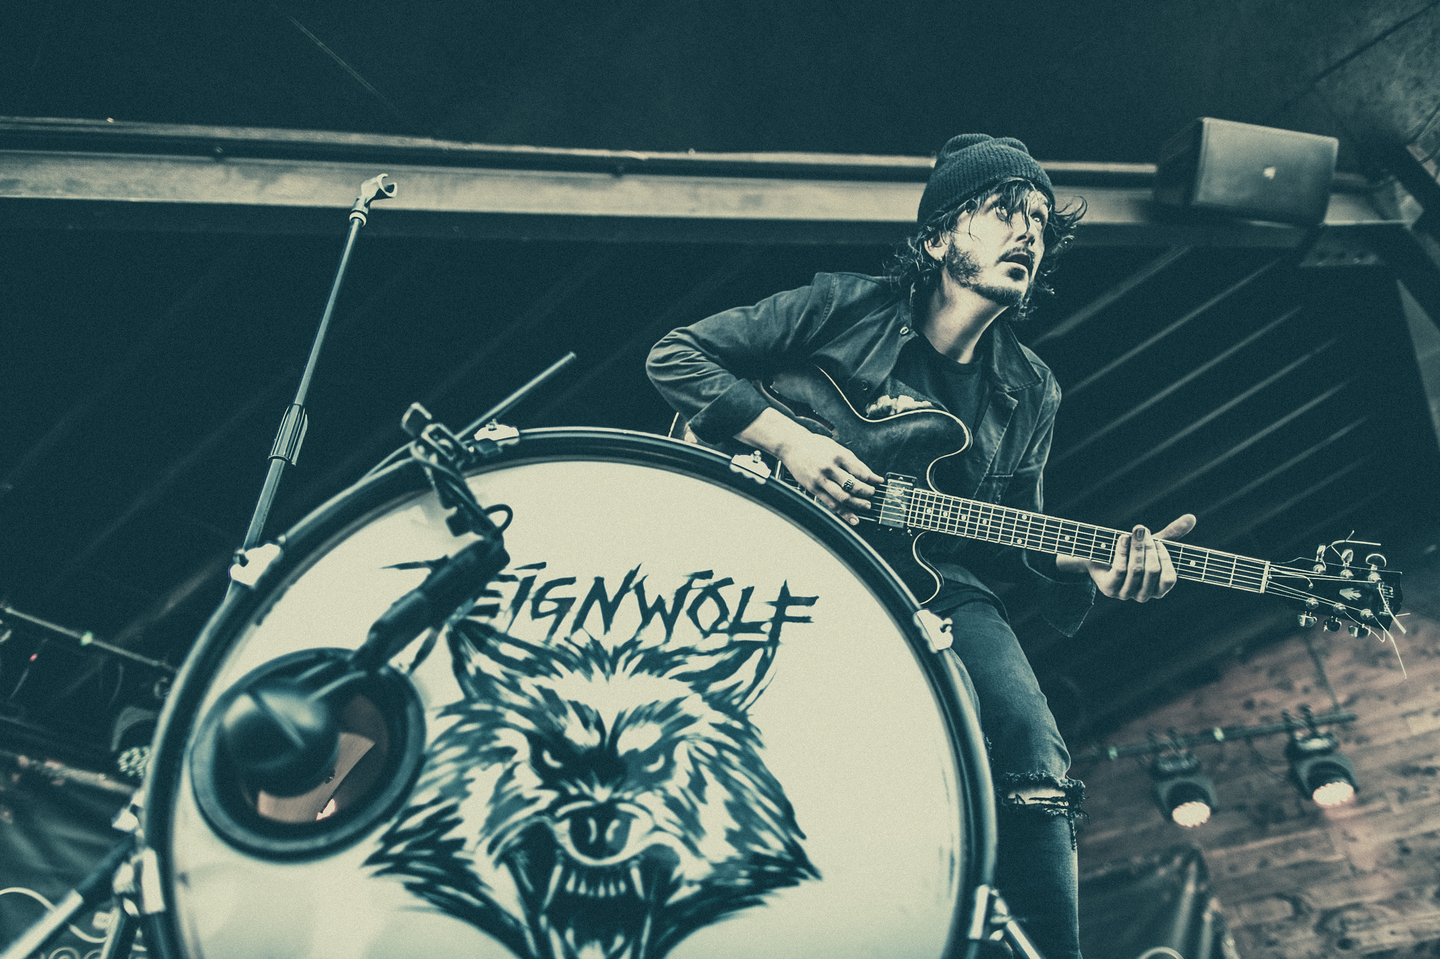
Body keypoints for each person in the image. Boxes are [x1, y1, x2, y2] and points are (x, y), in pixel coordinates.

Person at [646, 133, 1195, 958]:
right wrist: (791, 441)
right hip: (781, 556)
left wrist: (1085, 563)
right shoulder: (846, 305)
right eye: (1003, 213)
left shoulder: (1030, 387)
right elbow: (676, 355)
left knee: (1028, 739)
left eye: (1041, 223)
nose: (1027, 234)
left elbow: (1015, 536)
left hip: (935, 580)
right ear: (939, 238)